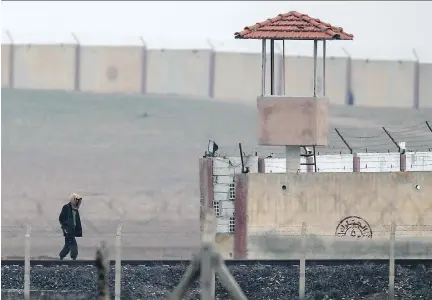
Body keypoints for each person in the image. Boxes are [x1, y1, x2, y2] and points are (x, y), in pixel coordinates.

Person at [58, 193, 83, 260]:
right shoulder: (66, 207)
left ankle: (61, 256)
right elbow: (61, 218)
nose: (78, 202)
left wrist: (78, 230)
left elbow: (77, 220)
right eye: (77, 200)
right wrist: (65, 227)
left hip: (73, 229)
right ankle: (73, 257)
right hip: (67, 230)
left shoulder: (75, 209)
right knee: (73, 245)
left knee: (68, 245)